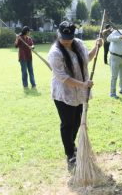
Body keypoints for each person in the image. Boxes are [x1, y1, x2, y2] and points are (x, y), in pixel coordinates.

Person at [47, 21, 102, 171]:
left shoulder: (78, 44)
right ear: (59, 34)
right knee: (67, 124)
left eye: (69, 37)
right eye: (64, 37)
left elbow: (87, 59)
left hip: (79, 92)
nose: (66, 40)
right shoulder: (55, 53)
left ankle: (72, 146)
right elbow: (63, 77)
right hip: (64, 93)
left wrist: (96, 47)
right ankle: (70, 153)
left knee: (77, 121)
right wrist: (83, 84)